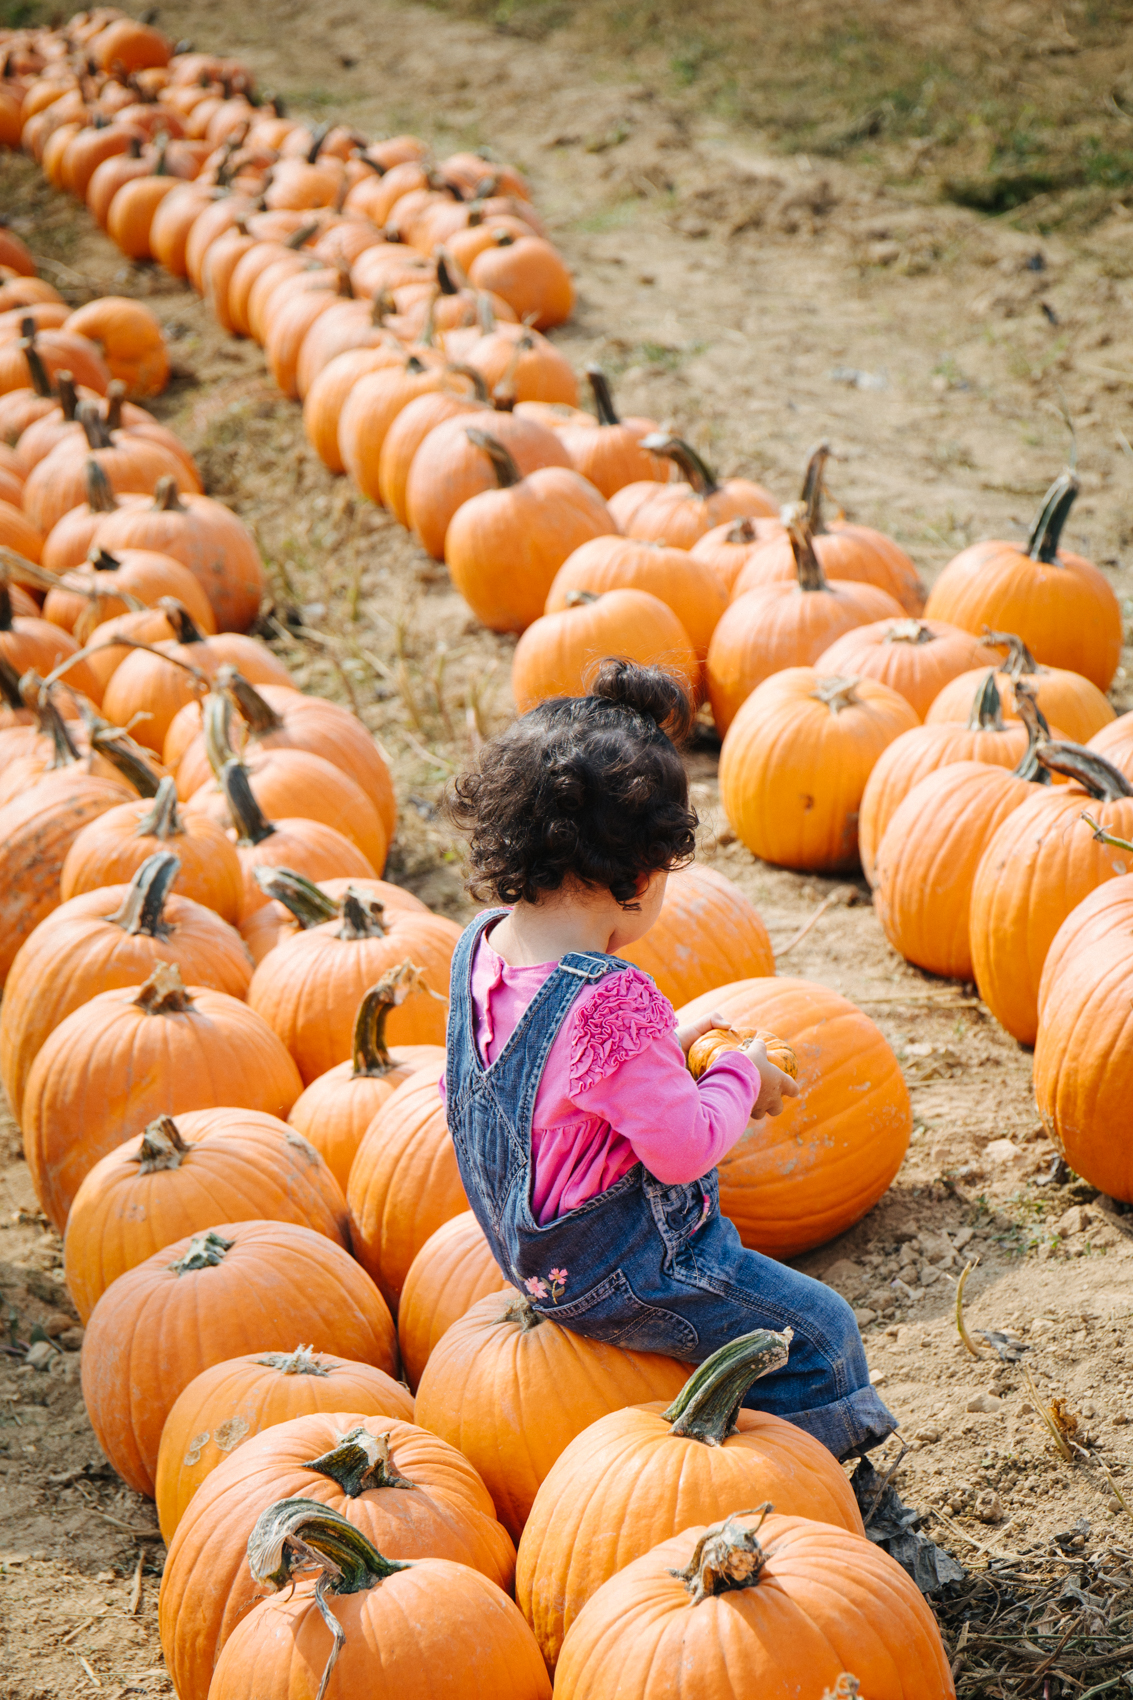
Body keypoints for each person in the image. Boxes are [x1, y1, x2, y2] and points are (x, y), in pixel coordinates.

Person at [442, 658, 896, 1459]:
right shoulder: (611, 999)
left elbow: (552, 1083)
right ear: (645, 878)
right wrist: (738, 1072)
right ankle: (831, 1495)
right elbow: (684, 1150)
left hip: (527, 1252)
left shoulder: (480, 947)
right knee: (818, 1334)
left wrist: (668, 1051)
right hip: (623, 1267)